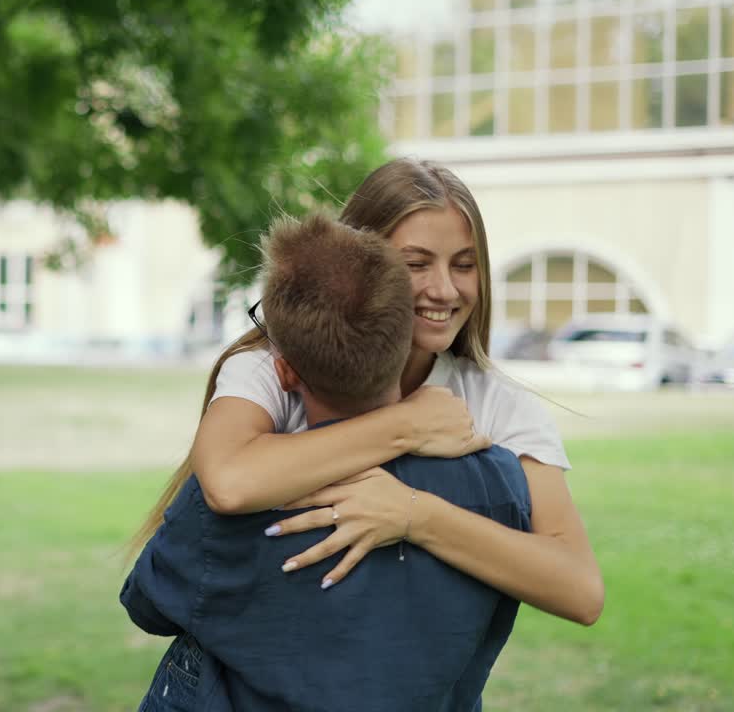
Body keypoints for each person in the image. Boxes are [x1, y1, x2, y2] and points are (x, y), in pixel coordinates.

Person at [124, 158, 603, 700]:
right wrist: (405, 424)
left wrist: (414, 514)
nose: (444, 289)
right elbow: (230, 481)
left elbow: (580, 589)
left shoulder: (498, 407)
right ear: (362, 263)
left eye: (464, 265)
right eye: (416, 263)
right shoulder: (275, 368)